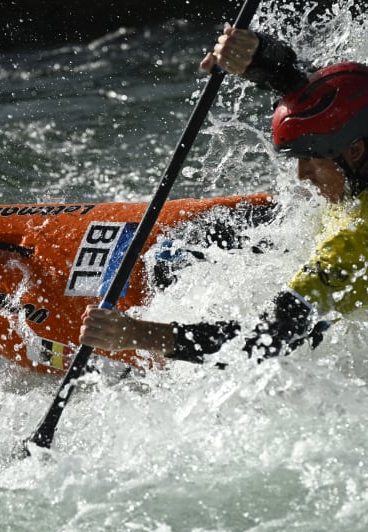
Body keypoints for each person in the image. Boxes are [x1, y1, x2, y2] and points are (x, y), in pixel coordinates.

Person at [80, 27, 368, 365]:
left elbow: (266, 342)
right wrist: (257, 55)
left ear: (354, 151)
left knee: (177, 259)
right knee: (207, 235)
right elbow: (318, 82)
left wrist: (138, 335)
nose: (302, 175)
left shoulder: (355, 244)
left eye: (312, 160)